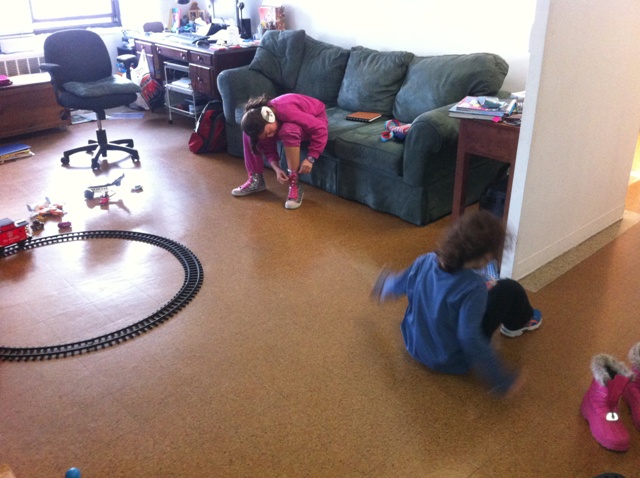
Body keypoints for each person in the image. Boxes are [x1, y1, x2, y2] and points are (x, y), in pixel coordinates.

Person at [371, 210, 542, 396]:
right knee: (509, 288)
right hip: (450, 360)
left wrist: (383, 285)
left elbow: (398, 284)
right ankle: (520, 322)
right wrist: (502, 380)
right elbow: (469, 337)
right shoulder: (474, 288)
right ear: (485, 257)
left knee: (479, 293)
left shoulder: (425, 261)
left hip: (414, 345)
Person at [231, 93, 329, 210]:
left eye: (269, 133)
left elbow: (321, 129)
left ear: (269, 117)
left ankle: (294, 181)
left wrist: (311, 158)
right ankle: (256, 179)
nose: (270, 136)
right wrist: (277, 169)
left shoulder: (287, 111)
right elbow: (268, 147)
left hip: (316, 115)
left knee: (288, 130)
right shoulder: (264, 119)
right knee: (249, 134)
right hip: (282, 120)